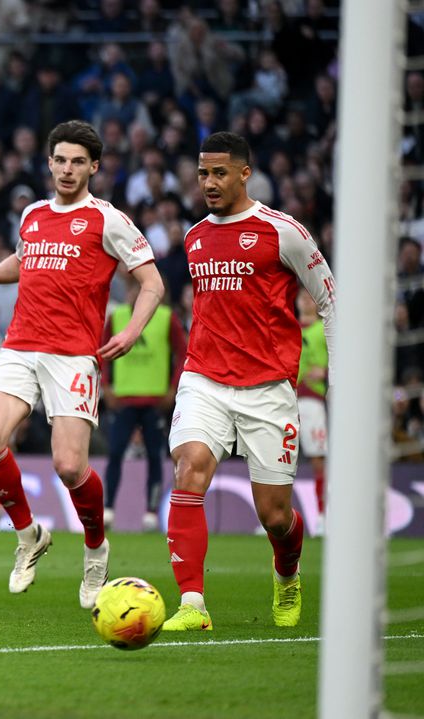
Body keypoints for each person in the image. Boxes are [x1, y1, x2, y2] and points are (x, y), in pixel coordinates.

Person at [0, 120, 164, 608]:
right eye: (60, 160)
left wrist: (130, 331)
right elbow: (26, 260)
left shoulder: (107, 219)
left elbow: (153, 282)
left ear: (94, 167)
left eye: (78, 162)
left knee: (70, 466)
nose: (68, 170)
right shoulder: (33, 213)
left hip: (73, 355)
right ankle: (28, 533)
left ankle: (96, 550)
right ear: (49, 163)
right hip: (19, 346)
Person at [161, 132, 335, 631]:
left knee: (275, 515)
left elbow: (329, 300)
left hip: (267, 389)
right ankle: (192, 605)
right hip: (205, 379)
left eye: (219, 173)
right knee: (189, 468)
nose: (209, 183)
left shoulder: (283, 232)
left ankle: (287, 574)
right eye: (202, 174)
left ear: (244, 173)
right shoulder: (194, 237)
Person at [101, 278, 187, 532]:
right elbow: (103, 353)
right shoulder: (116, 317)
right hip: (124, 399)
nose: (133, 294)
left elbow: (183, 353)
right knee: (115, 453)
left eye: (138, 289)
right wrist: (106, 387)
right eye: (130, 289)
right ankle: (108, 509)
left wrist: (173, 388)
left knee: (154, 456)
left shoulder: (165, 317)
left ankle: (150, 513)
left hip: (155, 401)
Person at [296, 288, 328, 533]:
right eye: (302, 297)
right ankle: (275, 519)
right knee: (278, 458)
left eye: (309, 297)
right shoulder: (290, 327)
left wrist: (325, 373)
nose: (305, 301)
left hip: (313, 400)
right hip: (286, 399)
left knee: (318, 459)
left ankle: (322, 516)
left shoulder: (324, 329)